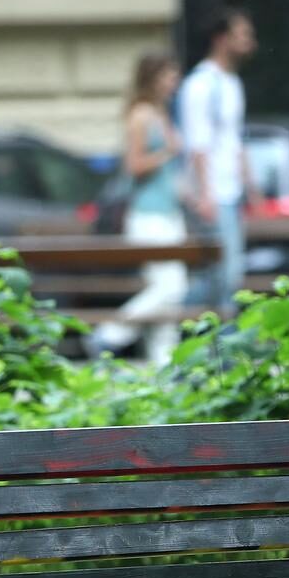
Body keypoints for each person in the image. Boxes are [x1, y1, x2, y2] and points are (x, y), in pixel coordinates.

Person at [87, 51, 188, 365]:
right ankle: (109, 334)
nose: (175, 81)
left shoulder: (161, 112)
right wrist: (167, 152)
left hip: (170, 212)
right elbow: (134, 166)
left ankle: (164, 363)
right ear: (153, 78)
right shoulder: (141, 114)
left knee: (170, 294)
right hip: (148, 214)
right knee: (171, 287)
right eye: (169, 75)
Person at [179, 7, 260, 314]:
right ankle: (171, 312)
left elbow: (234, 140)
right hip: (213, 194)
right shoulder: (201, 84)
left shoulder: (231, 83)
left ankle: (206, 331)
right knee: (224, 274)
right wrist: (206, 194)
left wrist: (250, 186)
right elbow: (197, 143)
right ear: (221, 39)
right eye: (243, 35)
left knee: (228, 275)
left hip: (231, 192)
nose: (250, 42)